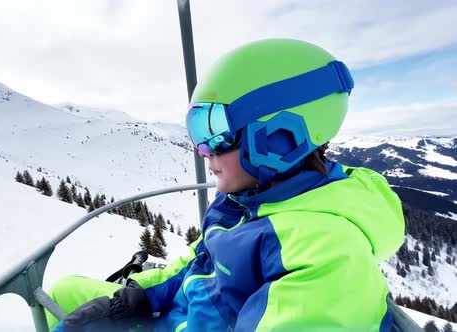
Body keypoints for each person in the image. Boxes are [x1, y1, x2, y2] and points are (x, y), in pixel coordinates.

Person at [45, 38, 405, 331]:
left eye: (217, 133)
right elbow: (196, 262)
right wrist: (139, 298)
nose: (204, 151)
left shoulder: (327, 256)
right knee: (63, 292)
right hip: (183, 314)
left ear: (282, 136)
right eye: (199, 132)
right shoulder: (243, 201)